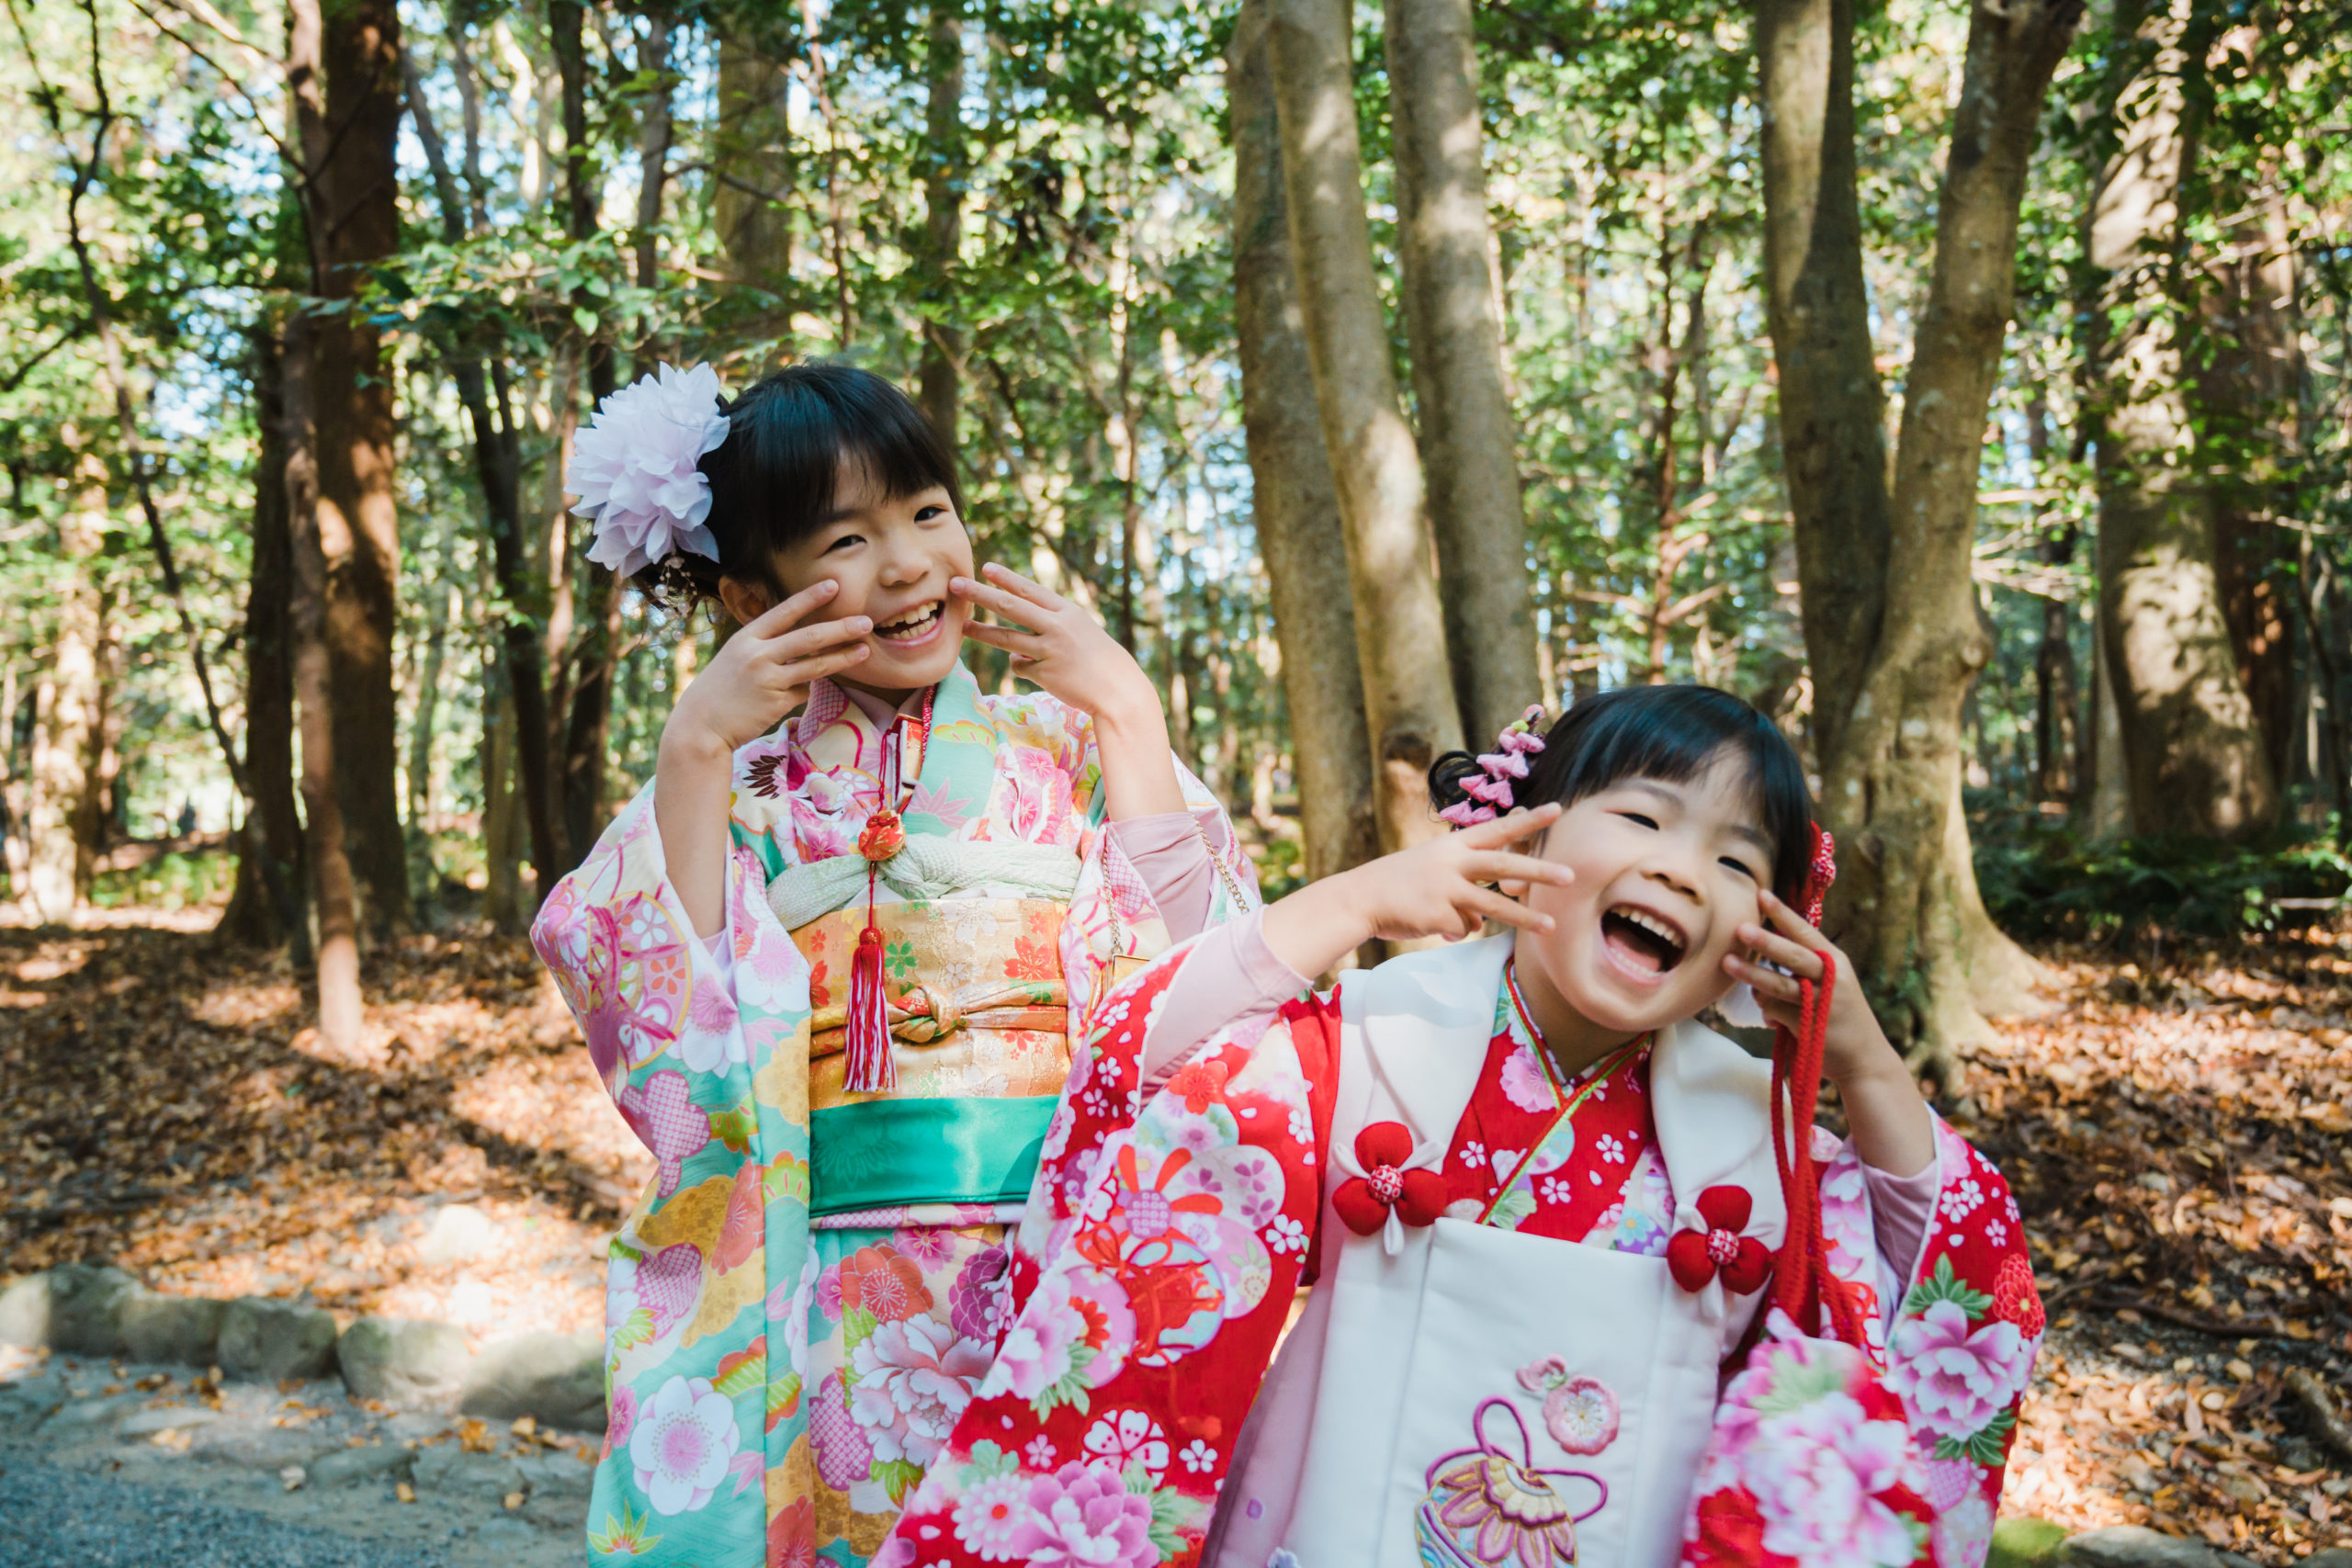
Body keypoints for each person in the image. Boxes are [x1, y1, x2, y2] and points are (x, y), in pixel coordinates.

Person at [887, 685, 2040, 1568]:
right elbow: (1148, 1067)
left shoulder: (1760, 1152)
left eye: (1736, 862)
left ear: (1767, 936)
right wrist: (1356, 902)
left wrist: (1862, 1060)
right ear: (1525, 838)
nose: (1679, 870)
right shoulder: (1374, 1053)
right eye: (1641, 815)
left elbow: (1951, 1281)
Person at [530, 361, 1257, 1566]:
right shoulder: (742, 789)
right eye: (847, 539)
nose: (911, 563)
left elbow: (1209, 983)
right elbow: (668, 1021)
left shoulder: (1068, 742)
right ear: (750, 594)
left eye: (928, 511)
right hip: (843, 1300)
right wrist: (700, 742)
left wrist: (1130, 713)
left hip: (1064, 1275)